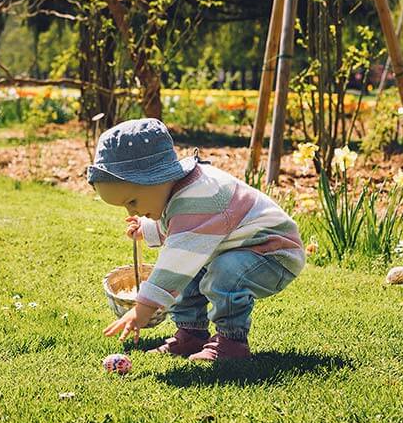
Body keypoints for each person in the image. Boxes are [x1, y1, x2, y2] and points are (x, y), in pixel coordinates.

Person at [87, 118, 304, 361]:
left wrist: (143, 307)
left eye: (133, 202)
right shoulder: (177, 191)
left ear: (155, 178)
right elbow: (184, 226)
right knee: (192, 269)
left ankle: (232, 342)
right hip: (239, 247)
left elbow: (178, 255)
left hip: (273, 252)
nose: (131, 212)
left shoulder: (200, 195)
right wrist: (149, 228)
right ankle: (192, 334)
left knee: (218, 271)